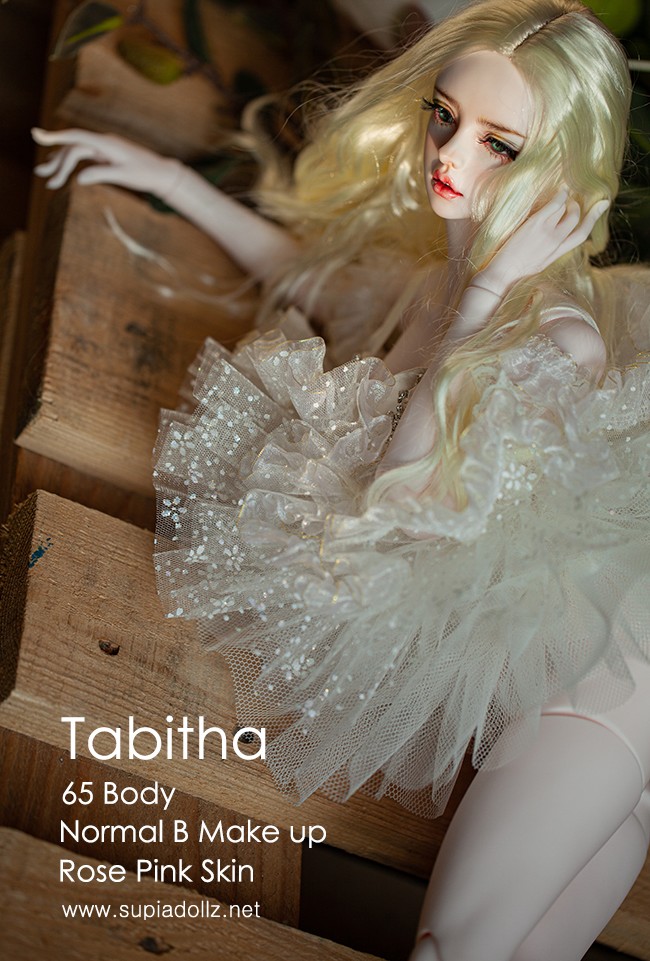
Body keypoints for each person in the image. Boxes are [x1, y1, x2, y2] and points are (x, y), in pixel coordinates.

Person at [33, 1, 650, 957]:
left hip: (606, 684)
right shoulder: (441, 275)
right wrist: (167, 178)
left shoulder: (558, 339)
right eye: (445, 116)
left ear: (562, 170)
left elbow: (406, 508)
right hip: (563, 686)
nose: (451, 154)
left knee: (451, 948)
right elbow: (319, 283)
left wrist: (485, 300)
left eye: (500, 145)